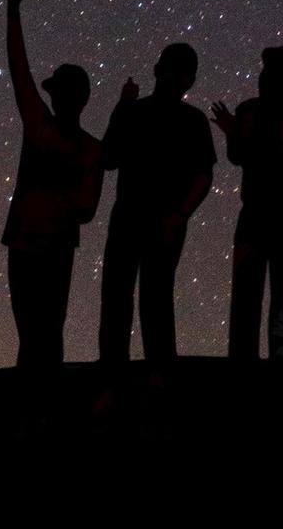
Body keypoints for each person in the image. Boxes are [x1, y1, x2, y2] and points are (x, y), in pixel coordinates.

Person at [0, 0, 104, 369]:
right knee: (40, 331)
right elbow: (19, 70)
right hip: (42, 243)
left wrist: (13, 9)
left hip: (38, 242)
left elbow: (20, 71)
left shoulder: (48, 130)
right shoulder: (87, 147)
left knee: (39, 331)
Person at [97, 43, 216, 368]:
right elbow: (205, 176)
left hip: (135, 218)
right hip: (162, 221)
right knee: (155, 298)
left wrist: (122, 106)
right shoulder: (192, 120)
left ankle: (115, 377)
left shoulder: (135, 112)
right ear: (189, 80)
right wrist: (181, 215)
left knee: (121, 299)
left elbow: (107, 158)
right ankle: (157, 375)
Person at [212, 44, 283, 362]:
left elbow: (240, 155)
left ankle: (248, 362)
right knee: (275, 295)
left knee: (256, 294)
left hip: (265, 213)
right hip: (277, 214)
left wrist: (232, 132)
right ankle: (274, 361)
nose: (264, 77)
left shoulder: (256, 111)